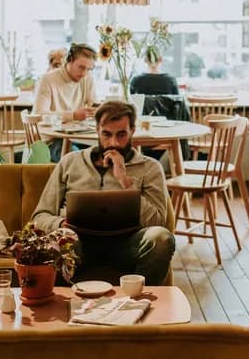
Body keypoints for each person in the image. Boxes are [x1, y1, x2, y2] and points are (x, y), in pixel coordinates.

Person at [31, 101, 175, 285]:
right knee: (62, 239)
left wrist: (125, 180)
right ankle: (62, 308)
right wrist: (61, 224)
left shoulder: (150, 168)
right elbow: (39, 216)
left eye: (121, 134)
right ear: (97, 130)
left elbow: (158, 222)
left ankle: (143, 305)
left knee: (161, 239)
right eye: (106, 134)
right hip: (78, 245)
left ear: (132, 130)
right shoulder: (70, 162)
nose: (113, 142)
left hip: (127, 246)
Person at [34, 43, 99, 162]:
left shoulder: (87, 79)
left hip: (79, 137)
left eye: (89, 69)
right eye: (81, 67)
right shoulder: (47, 80)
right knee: (79, 160)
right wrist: (73, 115)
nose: (85, 73)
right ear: (70, 60)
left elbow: (93, 105)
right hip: (51, 142)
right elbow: (39, 115)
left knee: (105, 154)